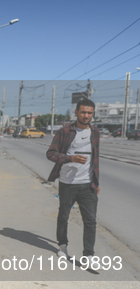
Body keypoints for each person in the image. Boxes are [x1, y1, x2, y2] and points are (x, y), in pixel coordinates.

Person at [46, 98, 100, 259]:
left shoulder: (95, 132)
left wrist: (97, 182)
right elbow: (51, 154)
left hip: (88, 184)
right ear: (76, 112)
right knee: (63, 216)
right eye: (83, 112)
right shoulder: (64, 131)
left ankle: (88, 255)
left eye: (89, 113)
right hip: (68, 183)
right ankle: (63, 246)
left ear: (93, 114)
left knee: (90, 221)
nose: (86, 115)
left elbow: (95, 160)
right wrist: (71, 158)